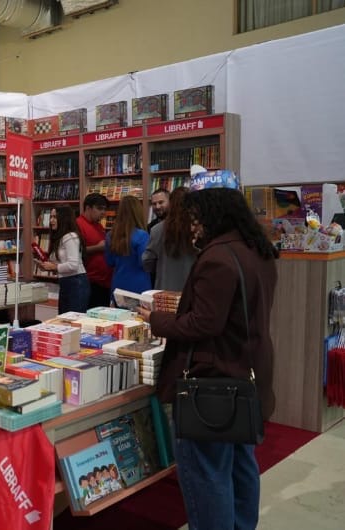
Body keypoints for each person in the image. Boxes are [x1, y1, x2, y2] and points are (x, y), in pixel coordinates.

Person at [137, 187, 278, 530]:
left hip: (213, 379)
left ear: (214, 216)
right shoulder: (256, 249)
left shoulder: (218, 258)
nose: (193, 227)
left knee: (207, 473)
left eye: (196, 220)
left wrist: (156, 319)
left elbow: (204, 323)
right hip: (247, 370)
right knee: (241, 464)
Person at [35, 205, 89, 314]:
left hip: (76, 283)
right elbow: (63, 264)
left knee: (73, 319)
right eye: (51, 217)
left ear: (64, 219)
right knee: (64, 318)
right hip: (66, 282)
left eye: (55, 217)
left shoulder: (70, 236)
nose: (51, 220)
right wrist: (47, 267)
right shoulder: (60, 237)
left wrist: (54, 267)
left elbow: (73, 265)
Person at [142, 187, 198, 291]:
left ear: (171, 204)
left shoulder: (157, 230)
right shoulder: (198, 228)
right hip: (193, 289)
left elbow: (147, 262)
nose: (157, 206)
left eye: (161, 202)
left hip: (165, 289)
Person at [105, 195, 151, 301]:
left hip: (118, 284)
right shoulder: (142, 235)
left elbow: (110, 262)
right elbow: (143, 263)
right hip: (139, 284)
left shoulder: (110, 235)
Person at [76, 193, 112, 308]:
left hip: (104, 282)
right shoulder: (78, 224)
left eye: (105, 209)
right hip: (90, 282)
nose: (103, 212)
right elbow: (76, 252)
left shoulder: (99, 226)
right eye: (99, 208)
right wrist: (98, 248)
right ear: (88, 208)